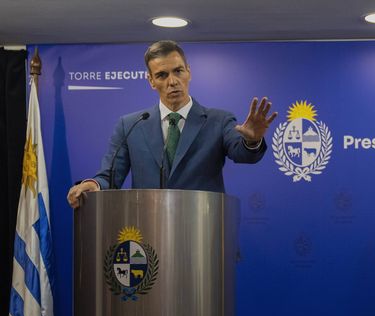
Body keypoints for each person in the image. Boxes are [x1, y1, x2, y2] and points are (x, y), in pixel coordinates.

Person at [67, 40, 277, 208]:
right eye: (162, 75)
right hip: (147, 238)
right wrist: (92, 184)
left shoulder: (218, 120)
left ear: (189, 72)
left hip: (204, 236)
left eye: (178, 71)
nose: (172, 81)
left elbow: (243, 154)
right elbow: (110, 177)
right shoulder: (130, 125)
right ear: (151, 81)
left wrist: (252, 140)